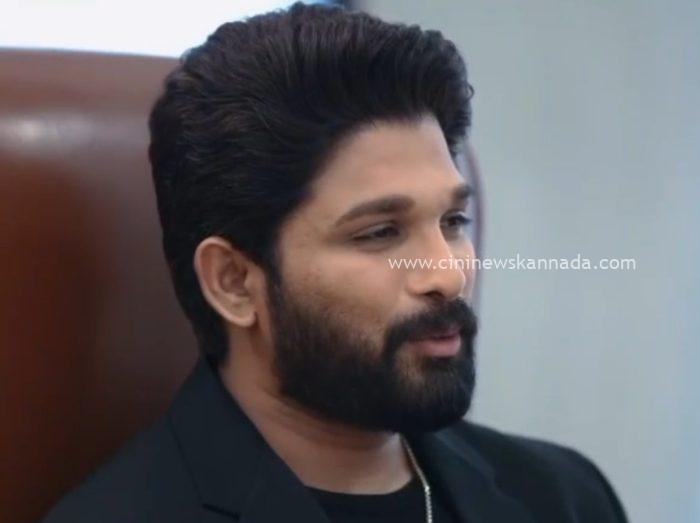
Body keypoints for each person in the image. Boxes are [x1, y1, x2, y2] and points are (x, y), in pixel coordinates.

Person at [42, 3, 628, 522]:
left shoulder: (564, 497)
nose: (449, 275)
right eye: (381, 233)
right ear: (234, 282)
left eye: (453, 221)